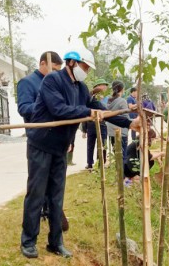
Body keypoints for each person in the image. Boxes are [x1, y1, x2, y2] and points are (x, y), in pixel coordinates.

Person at [20, 49, 140, 259]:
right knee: (36, 194)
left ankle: (55, 242)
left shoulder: (81, 88)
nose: (86, 71)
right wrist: (88, 113)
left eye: (87, 69)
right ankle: (28, 241)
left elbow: (102, 111)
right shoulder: (52, 81)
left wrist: (130, 122)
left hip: (60, 148)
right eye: (84, 67)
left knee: (57, 196)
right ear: (72, 63)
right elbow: (59, 109)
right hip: (40, 144)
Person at [16, 52, 69, 232]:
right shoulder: (28, 82)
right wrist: (45, 103)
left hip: (58, 142)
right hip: (38, 141)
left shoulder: (57, 83)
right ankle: (30, 233)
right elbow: (23, 108)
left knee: (55, 189)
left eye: (58, 71)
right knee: (37, 189)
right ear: (43, 64)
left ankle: (53, 220)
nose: (56, 74)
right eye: (54, 69)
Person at [81, 78, 109, 171]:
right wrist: (84, 130)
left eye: (105, 86)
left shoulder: (106, 98)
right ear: (97, 87)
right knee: (90, 145)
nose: (105, 88)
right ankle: (89, 164)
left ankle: (101, 163)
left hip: (103, 124)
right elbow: (85, 111)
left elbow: (107, 110)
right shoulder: (90, 97)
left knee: (103, 145)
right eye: (103, 85)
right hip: (91, 124)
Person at [106, 81, 134, 163]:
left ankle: (118, 173)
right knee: (123, 156)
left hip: (111, 131)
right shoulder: (122, 101)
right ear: (122, 89)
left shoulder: (109, 101)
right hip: (121, 131)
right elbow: (126, 117)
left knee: (117, 155)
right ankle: (123, 174)